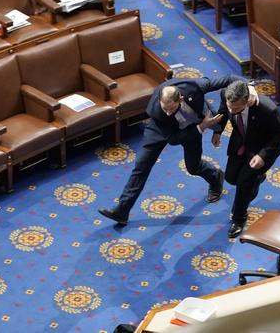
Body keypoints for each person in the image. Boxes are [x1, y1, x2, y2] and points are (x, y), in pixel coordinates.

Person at [98, 74, 238, 225]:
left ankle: (215, 176)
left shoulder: (193, 87)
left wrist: (247, 86)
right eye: (165, 109)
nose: (168, 113)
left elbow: (228, 79)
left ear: (181, 100)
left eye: (171, 109)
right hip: (162, 129)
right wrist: (201, 127)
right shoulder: (158, 112)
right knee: (141, 166)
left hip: (191, 127)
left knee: (193, 167)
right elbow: (174, 139)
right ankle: (122, 211)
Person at [212, 80, 280, 239]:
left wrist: (263, 155)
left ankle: (239, 218)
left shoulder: (268, 109)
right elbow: (223, 111)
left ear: (247, 101)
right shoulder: (226, 95)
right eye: (229, 106)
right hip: (240, 142)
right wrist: (218, 131)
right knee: (231, 178)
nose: (231, 111)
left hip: (261, 149)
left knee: (243, 184)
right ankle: (257, 178)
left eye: (236, 109)